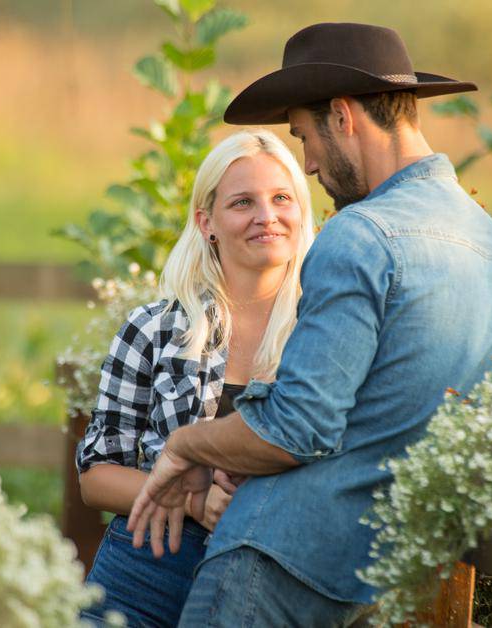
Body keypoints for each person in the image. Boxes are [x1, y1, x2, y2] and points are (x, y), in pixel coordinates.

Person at [127, 22, 492, 627]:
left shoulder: (360, 234)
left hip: (280, 563)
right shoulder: (488, 239)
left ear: (343, 117)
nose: (309, 165)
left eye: (305, 138)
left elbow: (293, 429)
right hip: (388, 577)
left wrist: (184, 446)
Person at [75, 129, 315, 627]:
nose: (266, 217)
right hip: (146, 573)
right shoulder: (156, 328)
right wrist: (194, 501)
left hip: (269, 583)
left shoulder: (324, 331)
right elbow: (97, 475)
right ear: (207, 222)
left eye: (281, 198)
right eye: (243, 202)